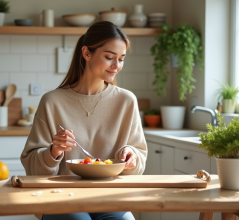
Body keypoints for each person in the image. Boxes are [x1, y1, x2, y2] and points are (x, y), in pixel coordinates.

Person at [20, 21, 148, 220]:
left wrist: (131, 156)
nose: (117, 66)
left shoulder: (126, 101)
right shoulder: (52, 101)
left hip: (109, 198)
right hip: (60, 198)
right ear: (87, 53)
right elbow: (31, 166)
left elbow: (139, 159)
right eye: (109, 57)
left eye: (121, 59)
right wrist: (53, 152)